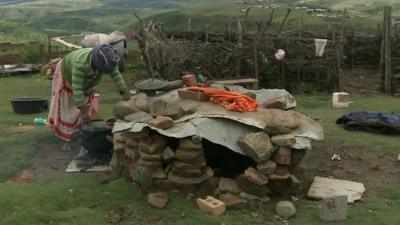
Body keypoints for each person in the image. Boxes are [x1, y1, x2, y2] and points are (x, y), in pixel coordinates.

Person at [48, 44, 131, 151]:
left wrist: (124, 91)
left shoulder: (108, 59)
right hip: (68, 76)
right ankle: (67, 139)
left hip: (88, 81)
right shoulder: (80, 64)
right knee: (68, 108)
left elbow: (116, 74)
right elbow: (77, 89)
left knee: (86, 105)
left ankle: (80, 132)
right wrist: (83, 111)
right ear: (96, 64)